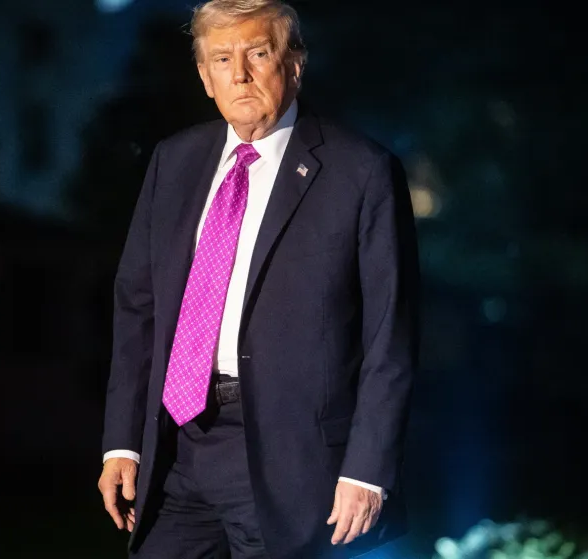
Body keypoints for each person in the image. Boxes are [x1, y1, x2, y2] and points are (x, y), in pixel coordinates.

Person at [97, 1, 419, 557]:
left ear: (294, 65)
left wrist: (367, 470)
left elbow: (390, 335)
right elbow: (138, 309)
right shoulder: (173, 163)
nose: (240, 73)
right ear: (204, 77)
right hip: (178, 451)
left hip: (292, 459)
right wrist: (122, 442)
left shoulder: (361, 172)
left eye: (258, 53)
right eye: (222, 58)